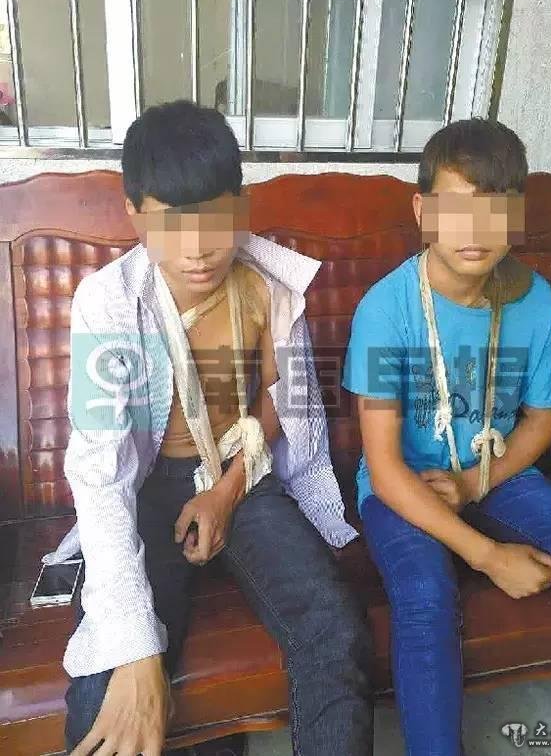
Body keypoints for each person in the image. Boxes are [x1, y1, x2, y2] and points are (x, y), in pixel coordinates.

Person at [44, 100, 374, 756]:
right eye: (171, 225)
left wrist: (225, 493)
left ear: (241, 209)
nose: (197, 250)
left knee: (335, 631)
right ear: (135, 213)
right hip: (146, 489)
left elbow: (287, 401)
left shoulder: (269, 289)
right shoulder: (109, 304)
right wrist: (136, 651)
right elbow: (101, 472)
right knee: (105, 687)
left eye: (216, 222)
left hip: (240, 474)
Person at [342, 117, 551, 756]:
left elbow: (541, 418)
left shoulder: (533, 300)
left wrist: (473, 483)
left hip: (495, 469)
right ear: (421, 211)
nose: (475, 230)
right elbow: (383, 465)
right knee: (426, 595)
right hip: (402, 486)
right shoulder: (384, 310)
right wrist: (488, 556)